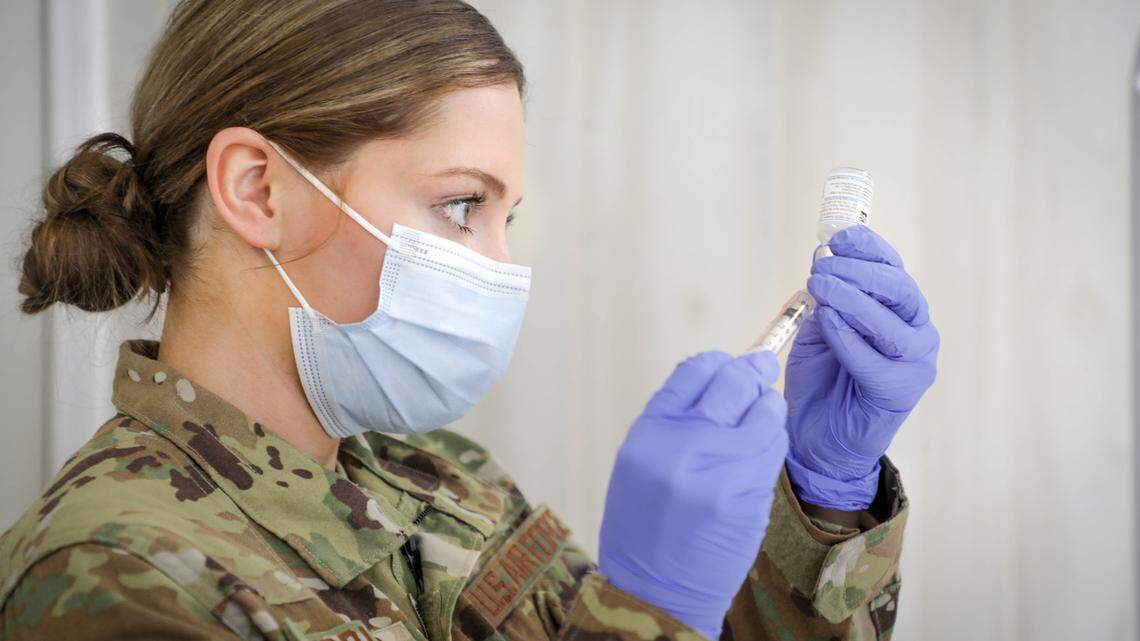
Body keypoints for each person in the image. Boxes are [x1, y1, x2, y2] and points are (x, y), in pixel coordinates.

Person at [0, 1, 939, 640]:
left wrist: (826, 491)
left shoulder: (443, 481)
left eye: (507, 217)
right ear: (259, 189)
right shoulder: (115, 578)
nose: (498, 265)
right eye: (460, 205)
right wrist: (648, 601)